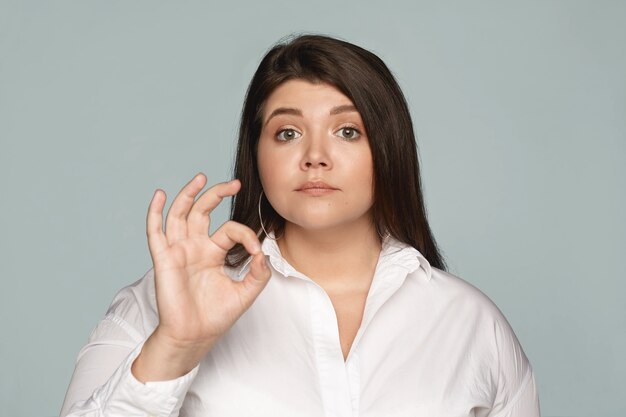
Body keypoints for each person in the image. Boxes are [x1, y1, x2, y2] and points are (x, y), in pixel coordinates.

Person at [61, 34, 540, 417]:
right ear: (257, 156)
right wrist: (175, 346)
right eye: (287, 133)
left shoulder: (472, 325)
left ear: (388, 150)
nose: (315, 157)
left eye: (348, 131)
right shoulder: (163, 303)